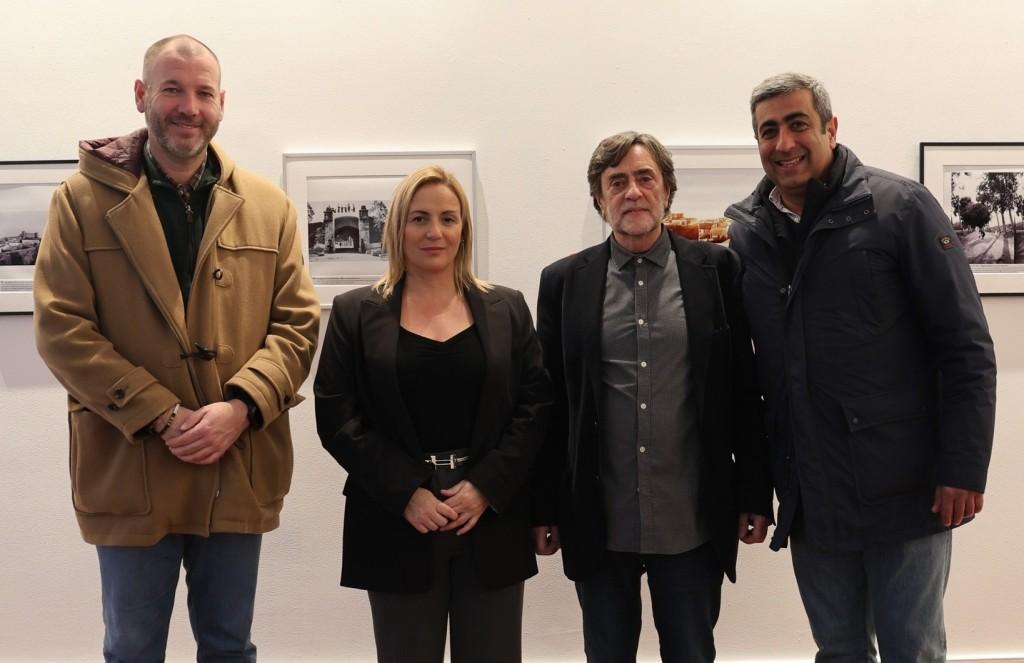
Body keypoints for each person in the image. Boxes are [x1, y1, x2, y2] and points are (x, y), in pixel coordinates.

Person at [33, 35, 320, 662]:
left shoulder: (268, 206)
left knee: (229, 647)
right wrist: (162, 414)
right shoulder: (79, 202)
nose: (188, 107)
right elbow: (61, 327)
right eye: (172, 89)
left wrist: (240, 407)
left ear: (222, 103)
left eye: (203, 93)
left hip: (235, 461)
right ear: (142, 95)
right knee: (132, 649)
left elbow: (297, 325)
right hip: (129, 463)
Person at [725, 72, 997, 662]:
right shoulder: (746, 234)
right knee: (839, 650)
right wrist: (756, 487)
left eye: (797, 123)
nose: (783, 143)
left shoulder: (901, 208)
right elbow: (750, 380)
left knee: (912, 651)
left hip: (905, 487)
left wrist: (963, 466)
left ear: (830, 127)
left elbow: (966, 348)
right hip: (811, 492)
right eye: (768, 130)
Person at [533, 131, 772, 663]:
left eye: (646, 178)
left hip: (691, 519)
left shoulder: (718, 271)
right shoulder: (564, 282)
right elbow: (552, 406)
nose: (633, 192)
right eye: (616, 182)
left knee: (691, 654)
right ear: (599, 199)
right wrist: (543, 507)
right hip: (600, 519)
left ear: (667, 191)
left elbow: (743, 388)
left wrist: (756, 492)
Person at [314, 165, 551, 663]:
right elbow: (337, 418)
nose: (434, 232)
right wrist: (407, 492)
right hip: (396, 520)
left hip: (489, 518)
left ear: (464, 229)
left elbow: (535, 407)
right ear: (396, 227)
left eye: (448, 218)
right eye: (419, 218)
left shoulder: (507, 308)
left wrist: (485, 486)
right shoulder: (354, 313)